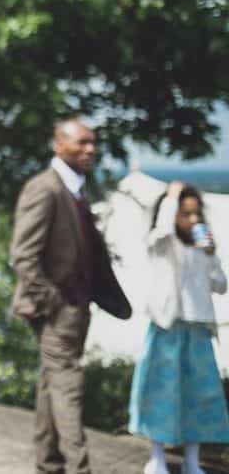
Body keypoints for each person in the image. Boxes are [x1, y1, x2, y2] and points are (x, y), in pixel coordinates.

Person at [10, 118, 132, 474]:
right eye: (81, 143)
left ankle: (48, 465)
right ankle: (80, 469)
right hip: (57, 310)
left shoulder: (76, 189)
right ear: (58, 145)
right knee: (69, 386)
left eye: (93, 143)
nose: (90, 149)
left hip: (78, 307)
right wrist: (54, 303)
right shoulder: (44, 189)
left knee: (53, 386)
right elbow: (23, 256)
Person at [129, 181, 229, 474]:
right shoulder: (163, 244)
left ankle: (192, 460)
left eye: (196, 214)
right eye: (186, 213)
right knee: (160, 392)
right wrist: (170, 198)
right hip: (167, 326)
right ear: (171, 214)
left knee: (199, 394)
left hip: (197, 329)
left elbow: (221, 286)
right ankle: (157, 456)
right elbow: (162, 231)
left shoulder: (202, 249)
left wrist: (211, 256)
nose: (193, 220)